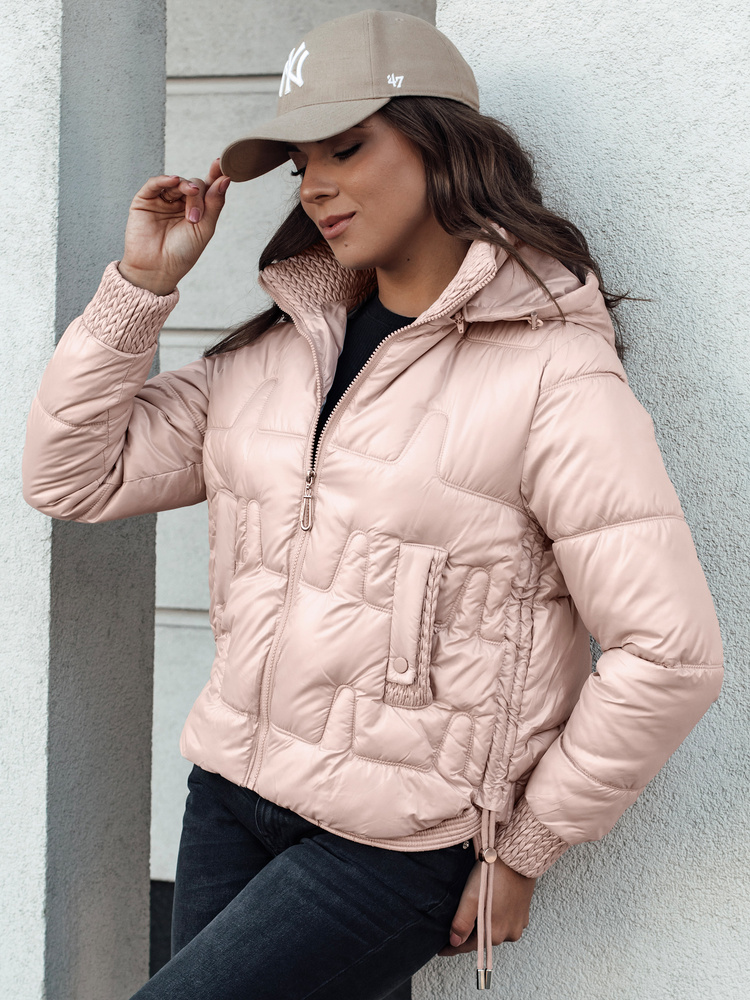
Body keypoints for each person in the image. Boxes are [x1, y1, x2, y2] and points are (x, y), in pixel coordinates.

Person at [22, 9, 724, 1000]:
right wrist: (141, 286)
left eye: (347, 148)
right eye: (301, 161)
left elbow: (670, 652)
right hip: (229, 799)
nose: (315, 184)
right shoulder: (272, 357)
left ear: (443, 146)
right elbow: (72, 475)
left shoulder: (553, 375)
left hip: (393, 842)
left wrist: (529, 844)